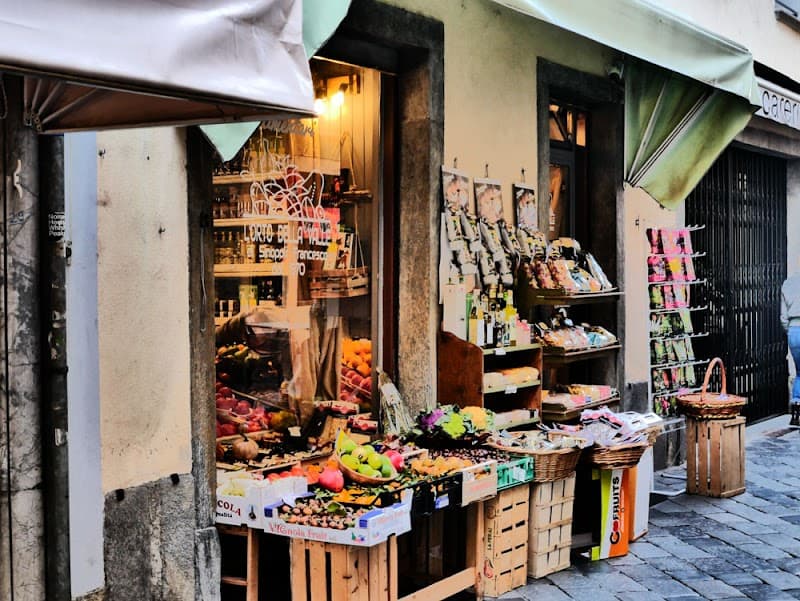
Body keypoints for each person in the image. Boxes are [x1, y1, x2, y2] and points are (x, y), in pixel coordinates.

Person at [781, 271, 800, 425]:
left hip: (794, 330)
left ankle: (796, 408)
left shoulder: (788, 284)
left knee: (799, 371)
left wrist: (791, 330)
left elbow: (783, 316)